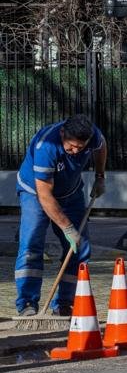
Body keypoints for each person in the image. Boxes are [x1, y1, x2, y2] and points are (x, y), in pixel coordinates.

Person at [14, 114, 106, 316]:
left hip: (71, 193)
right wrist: (67, 227)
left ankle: (65, 303)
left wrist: (100, 176)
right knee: (31, 244)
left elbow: (101, 147)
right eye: (71, 146)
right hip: (34, 193)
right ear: (63, 133)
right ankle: (27, 303)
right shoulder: (46, 146)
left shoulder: (92, 135)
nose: (75, 151)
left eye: (80, 148)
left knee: (80, 248)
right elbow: (44, 195)